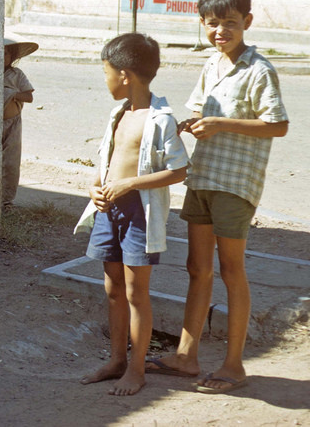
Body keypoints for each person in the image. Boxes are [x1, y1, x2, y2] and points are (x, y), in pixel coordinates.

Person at [144, 0, 288, 395]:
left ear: (247, 21)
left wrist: (222, 123)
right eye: (212, 23)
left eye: (229, 23)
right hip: (203, 177)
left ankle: (234, 365)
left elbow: (277, 125)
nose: (220, 31)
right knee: (197, 269)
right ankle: (186, 357)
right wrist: (190, 125)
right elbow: (201, 111)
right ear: (202, 23)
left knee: (231, 270)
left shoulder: (260, 69)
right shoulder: (213, 63)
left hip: (235, 184)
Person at [74, 32, 190, 396]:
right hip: (109, 210)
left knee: (136, 292)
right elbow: (106, 162)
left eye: (106, 72)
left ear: (124, 74)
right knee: (112, 288)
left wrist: (130, 185)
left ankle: (136, 369)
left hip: (140, 214)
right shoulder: (118, 113)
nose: (105, 79)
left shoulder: (160, 120)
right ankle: (116, 360)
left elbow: (179, 169)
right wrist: (98, 185)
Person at [1, 37, 37, 211]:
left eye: (6, 53)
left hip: (12, 124)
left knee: (10, 161)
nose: (2, 56)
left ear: (12, 56)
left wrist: (10, 94)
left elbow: (28, 96)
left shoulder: (17, 75)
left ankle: (6, 200)